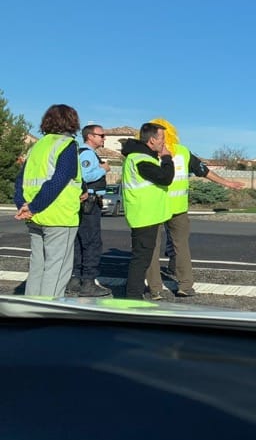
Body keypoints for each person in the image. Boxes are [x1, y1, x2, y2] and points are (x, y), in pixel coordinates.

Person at [144, 118, 244, 299]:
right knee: (181, 246)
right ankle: (185, 286)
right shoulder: (183, 152)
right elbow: (203, 170)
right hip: (178, 207)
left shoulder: (145, 153)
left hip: (154, 207)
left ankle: (155, 289)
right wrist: (227, 182)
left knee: (151, 247)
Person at [14, 104, 83, 297]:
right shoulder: (66, 145)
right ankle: (47, 312)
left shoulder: (38, 146)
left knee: (38, 267)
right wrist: (34, 207)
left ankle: (30, 309)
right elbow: (59, 180)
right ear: (72, 122)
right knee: (57, 269)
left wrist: (23, 206)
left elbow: (20, 180)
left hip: (35, 218)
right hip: (59, 216)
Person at [121, 122, 174, 300]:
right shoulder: (141, 159)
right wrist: (167, 159)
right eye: (162, 139)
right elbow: (165, 178)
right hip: (144, 215)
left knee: (142, 257)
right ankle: (133, 297)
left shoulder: (141, 157)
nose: (164, 144)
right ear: (152, 140)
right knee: (141, 259)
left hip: (146, 214)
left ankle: (133, 294)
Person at [68, 124, 113, 297]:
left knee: (79, 242)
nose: (104, 138)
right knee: (92, 242)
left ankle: (76, 279)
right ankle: (88, 282)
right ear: (90, 136)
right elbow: (85, 175)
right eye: (101, 135)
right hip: (90, 203)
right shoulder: (87, 154)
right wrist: (103, 169)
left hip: (85, 202)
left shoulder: (83, 153)